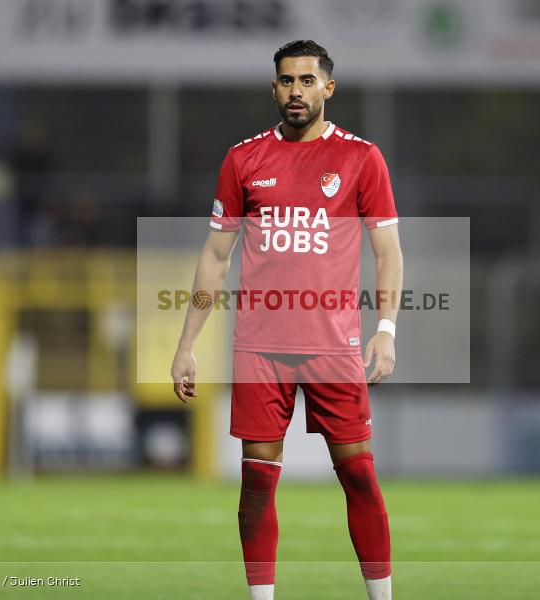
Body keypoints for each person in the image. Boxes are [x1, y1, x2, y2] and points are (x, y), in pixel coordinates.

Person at [170, 40, 403, 600]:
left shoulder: (360, 158)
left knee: (359, 477)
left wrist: (387, 329)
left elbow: (389, 251)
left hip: (333, 345)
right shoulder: (244, 159)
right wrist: (187, 344)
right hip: (260, 347)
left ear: (328, 87)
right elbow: (215, 256)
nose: (294, 91)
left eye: (305, 81)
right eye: (285, 81)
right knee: (256, 484)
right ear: (273, 88)